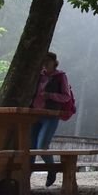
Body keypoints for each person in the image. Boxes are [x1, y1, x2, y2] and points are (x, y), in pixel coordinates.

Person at [31, 51, 72, 187]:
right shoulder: (37, 75)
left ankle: (52, 169)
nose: (45, 63)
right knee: (29, 148)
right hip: (34, 114)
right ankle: (25, 179)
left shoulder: (60, 76)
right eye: (44, 61)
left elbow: (66, 96)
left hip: (50, 115)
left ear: (54, 62)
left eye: (48, 61)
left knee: (42, 146)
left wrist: (50, 95)